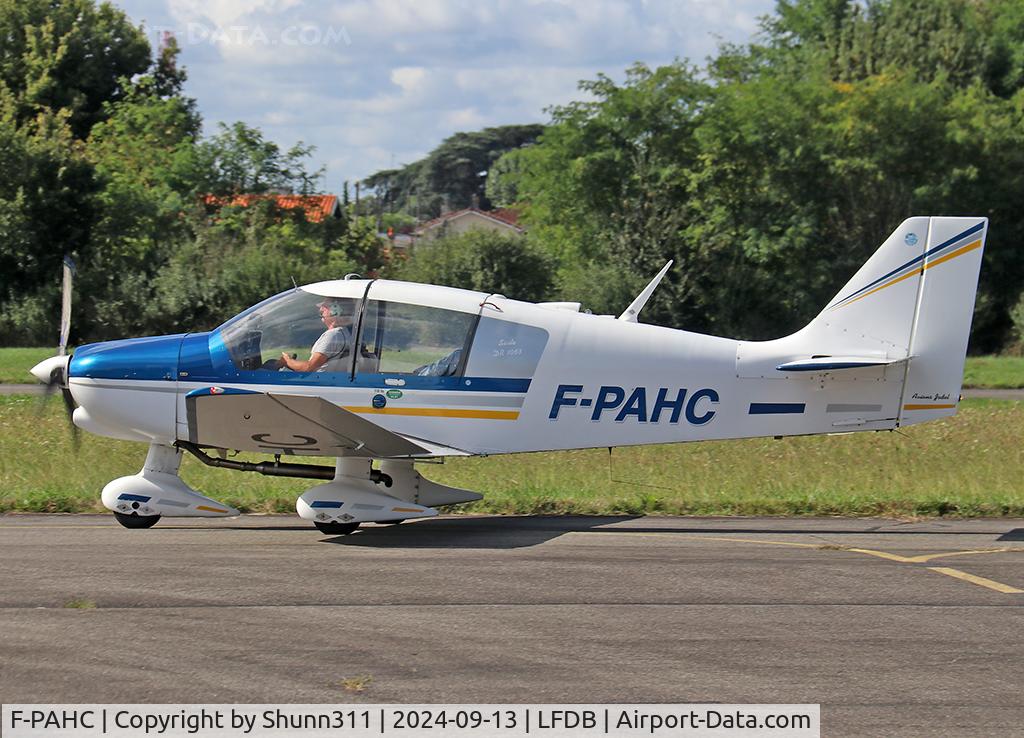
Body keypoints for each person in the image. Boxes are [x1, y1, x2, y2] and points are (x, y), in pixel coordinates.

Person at [279, 298, 353, 372]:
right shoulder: (345, 333)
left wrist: (287, 361)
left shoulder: (333, 335)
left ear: (335, 311)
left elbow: (309, 367)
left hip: (318, 378)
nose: (321, 309)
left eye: (324, 307)